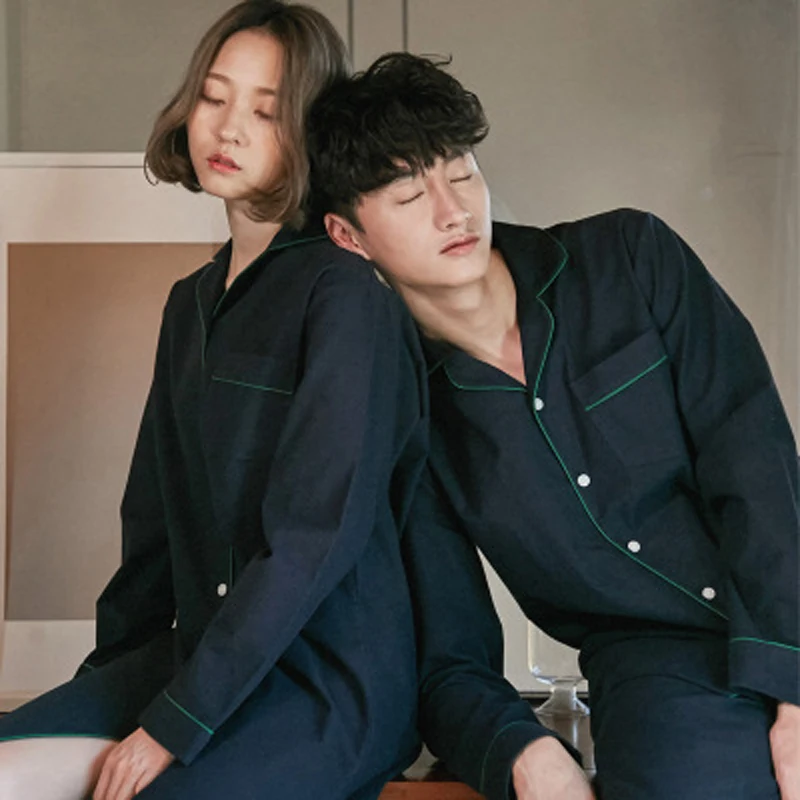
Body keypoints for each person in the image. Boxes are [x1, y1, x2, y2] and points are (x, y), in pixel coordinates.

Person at [307, 53, 800, 800]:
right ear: (349, 236)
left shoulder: (630, 259)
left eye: (461, 173)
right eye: (408, 194)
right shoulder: (409, 418)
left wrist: (792, 680)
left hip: (784, 594)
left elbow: (759, 465)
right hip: (657, 672)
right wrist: (522, 753)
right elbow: (450, 654)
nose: (452, 211)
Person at [0, 7, 428, 800]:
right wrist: (111, 682)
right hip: (200, 653)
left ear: (307, 131)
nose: (228, 128)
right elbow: (153, 525)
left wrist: (172, 723)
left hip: (326, 682)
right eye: (213, 96)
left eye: (265, 111)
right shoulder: (189, 302)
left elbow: (312, 539)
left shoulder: (344, 294)